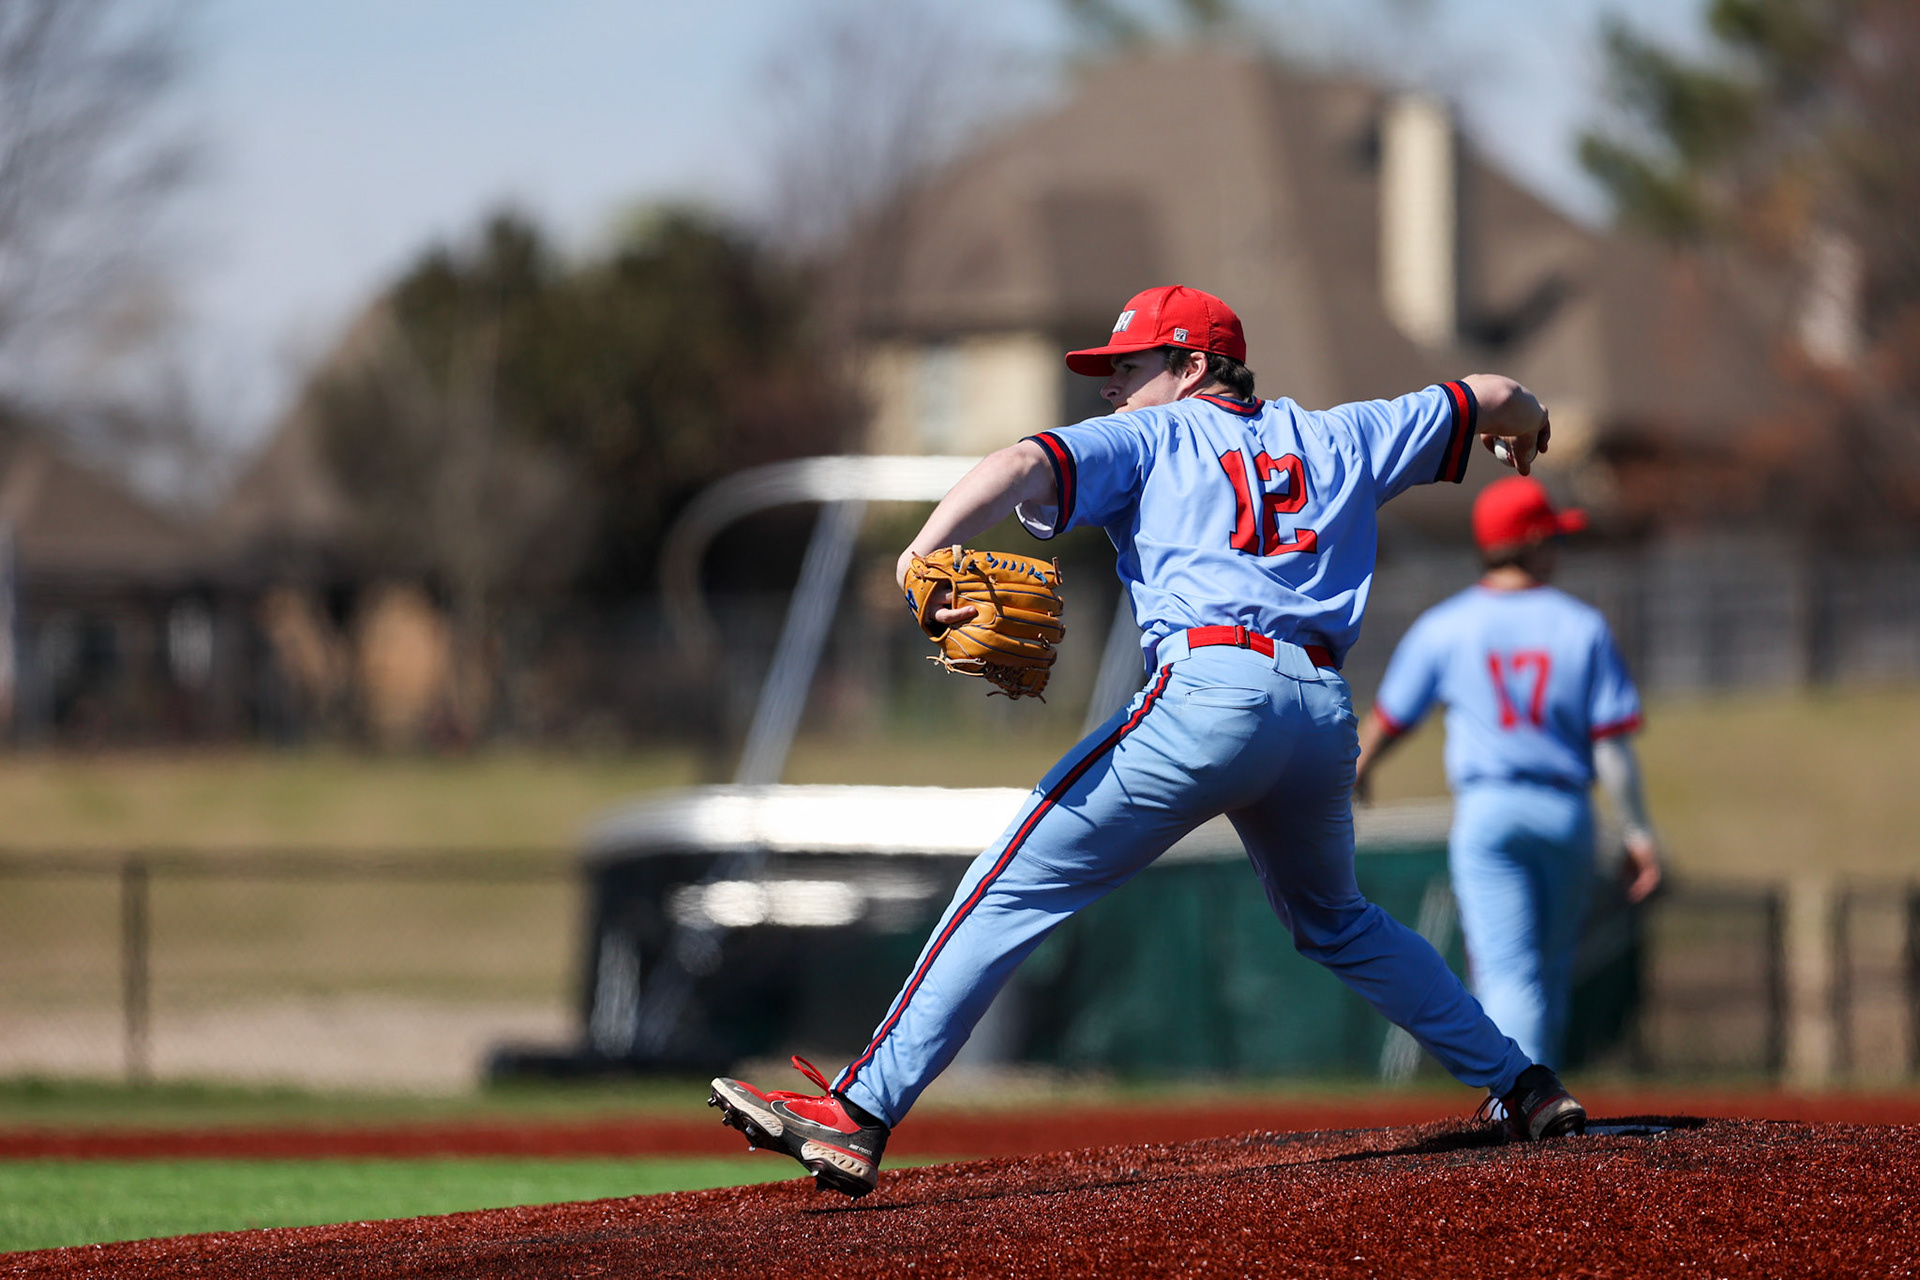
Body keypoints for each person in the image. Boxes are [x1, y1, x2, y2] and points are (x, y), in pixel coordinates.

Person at [710, 284, 1587, 1198]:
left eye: (1127, 369)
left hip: (1209, 696)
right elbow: (1488, 391)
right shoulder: (1345, 433)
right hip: (1319, 714)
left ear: (1193, 367)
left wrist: (919, 551)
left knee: (1007, 885)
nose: (1111, 391)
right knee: (1339, 921)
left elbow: (1022, 461)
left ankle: (857, 1113)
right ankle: (1525, 1085)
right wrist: (1525, 424)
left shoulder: (1156, 434)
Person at [1353, 476, 1662, 1068]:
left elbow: (1390, 720)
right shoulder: (1581, 625)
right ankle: (1538, 1102)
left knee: (1506, 974)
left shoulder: (1446, 625)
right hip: (1565, 811)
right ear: (1537, 542)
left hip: (1489, 809)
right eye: (1555, 539)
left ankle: (1521, 1109)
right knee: (1546, 975)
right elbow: (1611, 751)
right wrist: (1637, 833)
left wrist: (1361, 768)